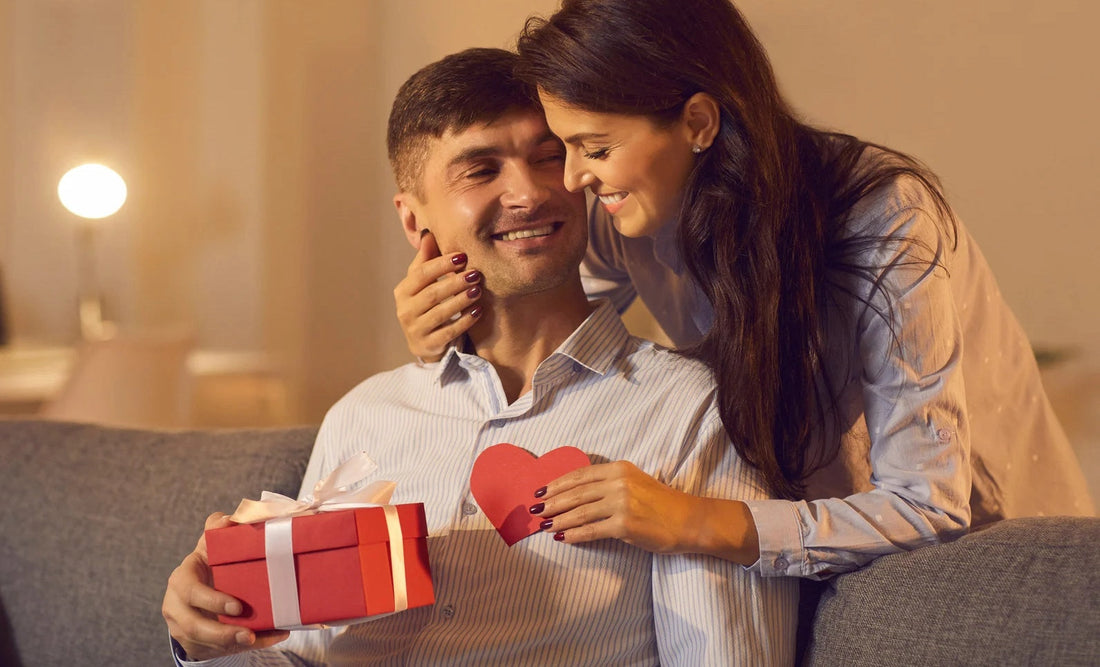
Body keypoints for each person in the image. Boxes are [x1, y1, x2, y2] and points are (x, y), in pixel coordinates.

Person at [395, 0, 1095, 580]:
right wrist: (450, 321)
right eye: (565, 145)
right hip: (780, 544)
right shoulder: (626, 211)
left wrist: (687, 517)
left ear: (698, 123)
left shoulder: (884, 218)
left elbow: (927, 506)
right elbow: (550, 323)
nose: (572, 179)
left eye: (595, 148)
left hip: (968, 558)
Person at [162, 47, 797, 666]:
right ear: (415, 223)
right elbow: (300, 655)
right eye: (480, 169)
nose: (530, 193)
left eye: (550, 158)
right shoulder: (362, 416)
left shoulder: (691, 410)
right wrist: (209, 640)